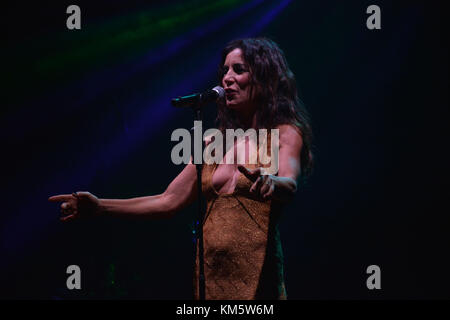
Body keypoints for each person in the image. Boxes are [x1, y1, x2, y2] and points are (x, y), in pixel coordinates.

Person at [49, 37, 313, 300]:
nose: (227, 79)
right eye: (224, 71)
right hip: (211, 280)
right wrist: (99, 207)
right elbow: (168, 201)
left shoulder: (284, 133)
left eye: (239, 70)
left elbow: (290, 183)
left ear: (265, 76)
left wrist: (272, 181)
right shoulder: (212, 143)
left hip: (258, 280)